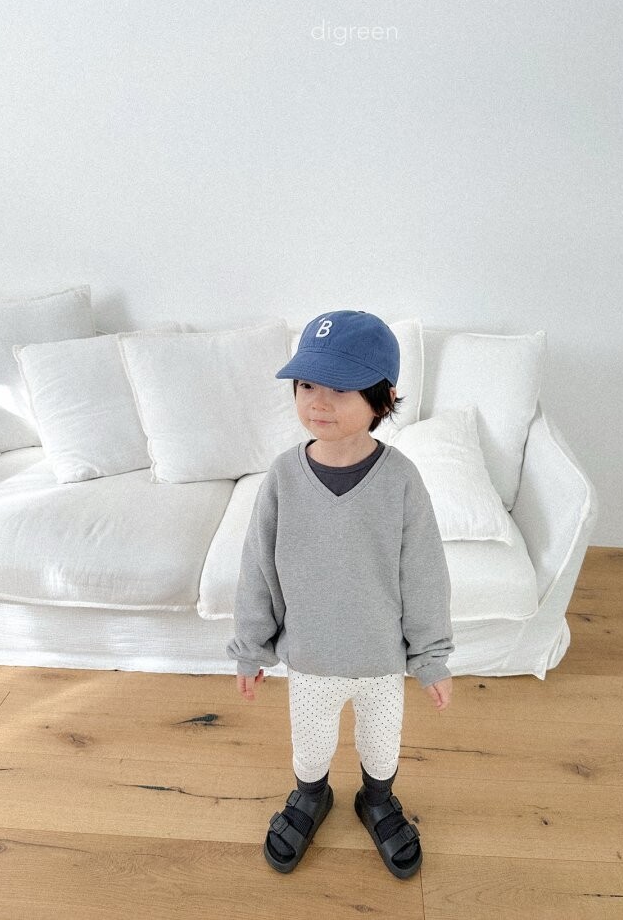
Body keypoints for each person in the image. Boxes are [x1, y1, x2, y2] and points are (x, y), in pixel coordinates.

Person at [226, 310, 453, 879]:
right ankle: (311, 796)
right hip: (311, 660)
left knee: (381, 746)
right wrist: (250, 648)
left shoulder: (402, 480)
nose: (318, 403)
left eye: (340, 388)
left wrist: (431, 657)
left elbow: (424, 573)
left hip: (381, 661)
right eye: (307, 385)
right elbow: (258, 568)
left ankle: (377, 800)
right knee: (309, 747)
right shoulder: (282, 477)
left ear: (384, 398)